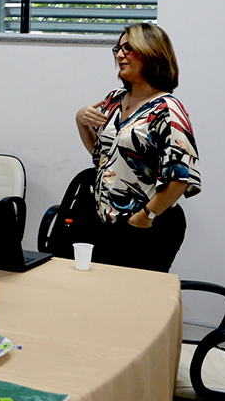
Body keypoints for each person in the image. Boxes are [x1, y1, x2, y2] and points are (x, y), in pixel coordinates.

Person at [75, 23, 200, 272]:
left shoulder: (167, 109)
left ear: (151, 53)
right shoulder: (114, 99)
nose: (120, 54)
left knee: (134, 303)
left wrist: (145, 217)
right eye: (118, 49)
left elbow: (181, 177)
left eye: (129, 48)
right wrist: (80, 121)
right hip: (106, 221)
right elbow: (104, 157)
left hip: (145, 226)